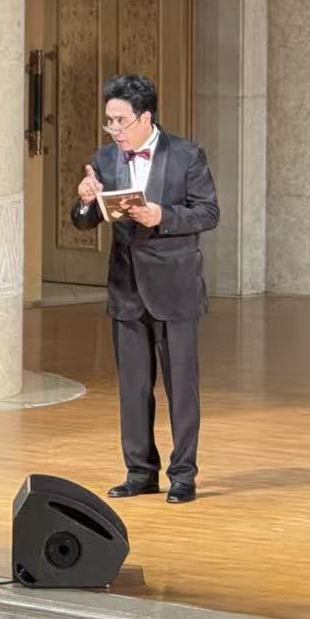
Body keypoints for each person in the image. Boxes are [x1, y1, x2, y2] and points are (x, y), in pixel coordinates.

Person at [71, 73, 219, 505]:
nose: (114, 130)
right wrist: (85, 201)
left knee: (181, 388)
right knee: (133, 388)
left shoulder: (186, 155)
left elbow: (209, 213)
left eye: (121, 121)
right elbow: (84, 220)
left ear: (145, 118)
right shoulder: (104, 159)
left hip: (175, 287)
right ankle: (140, 472)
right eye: (109, 122)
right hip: (127, 289)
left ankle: (184, 475)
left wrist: (162, 216)